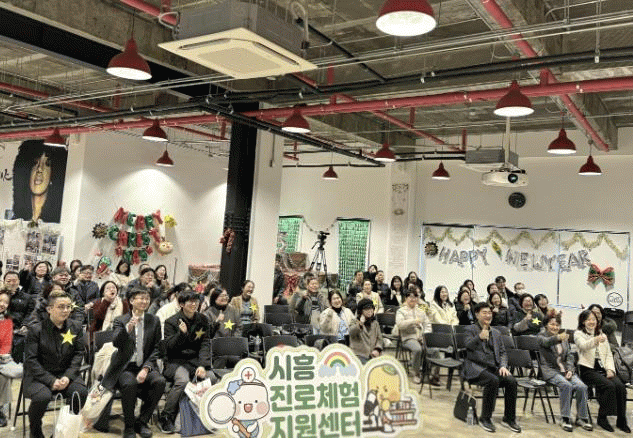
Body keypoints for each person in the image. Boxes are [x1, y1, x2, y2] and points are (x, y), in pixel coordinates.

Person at [23, 291, 87, 438]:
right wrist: (51, 380)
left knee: (81, 393)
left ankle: (63, 431)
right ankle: (35, 432)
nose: (66, 310)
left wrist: (68, 376)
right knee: (42, 397)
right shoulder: (36, 330)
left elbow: (78, 354)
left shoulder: (76, 327)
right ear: (49, 309)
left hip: (65, 372)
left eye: (68, 307)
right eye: (61, 307)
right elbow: (31, 360)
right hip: (40, 375)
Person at [109, 288, 166, 438]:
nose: (144, 301)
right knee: (129, 384)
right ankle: (129, 427)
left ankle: (142, 422)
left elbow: (157, 348)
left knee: (159, 382)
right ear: (131, 301)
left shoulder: (154, 320)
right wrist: (128, 328)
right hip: (125, 366)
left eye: (147, 298)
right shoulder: (121, 320)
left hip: (145, 364)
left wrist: (146, 368)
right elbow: (116, 343)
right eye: (141, 298)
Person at [159, 290, 214, 434]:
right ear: (182, 304)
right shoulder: (171, 321)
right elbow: (169, 347)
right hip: (175, 361)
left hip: (195, 361)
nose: (194, 304)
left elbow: (205, 344)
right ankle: (166, 416)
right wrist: (181, 334)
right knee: (182, 380)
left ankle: (207, 415)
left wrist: (202, 365)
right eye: (190, 301)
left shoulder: (203, 319)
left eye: (196, 301)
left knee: (212, 378)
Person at [462, 302, 521, 434]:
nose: (488, 315)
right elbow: (467, 346)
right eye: (484, 313)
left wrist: (503, 366)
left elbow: (503, 352)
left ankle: (509, 418)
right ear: (477, 315)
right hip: (475, 367)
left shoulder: (496, 332)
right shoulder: (470, 329)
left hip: (493, 367)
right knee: (492, 380)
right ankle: (485, 418)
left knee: (511, 381)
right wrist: (479, 337)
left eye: (489, 313)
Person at [575, 309, 629, 432]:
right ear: (583, 322)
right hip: (587, 369)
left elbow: (608, 355)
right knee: (608, 386)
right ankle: (602, 418)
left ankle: (621, 420)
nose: (591, 322)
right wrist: (596, 340)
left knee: (620, 387)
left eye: (593, 319)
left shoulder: (601, 334)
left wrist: (610, 369)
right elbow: (583, 346)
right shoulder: (579, 334)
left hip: (603, 368)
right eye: (588, 319)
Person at [538, 314, 592, 432]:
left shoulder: (563, 338)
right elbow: (547, 342)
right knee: (566, 385)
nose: (555, 327)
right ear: (546, 325)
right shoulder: (541, 336)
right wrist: (558, 338)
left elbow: (570, 356)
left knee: (582, 387)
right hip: (551, 370)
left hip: (565, 370)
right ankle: (565, 418)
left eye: (557, 325)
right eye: (552, 324)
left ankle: (582, 418)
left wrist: (570, 370)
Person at [395, 288, 431, 383]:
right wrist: (413, 321)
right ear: (406, 298)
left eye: (415, 297)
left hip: (421, 337)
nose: (413, 299)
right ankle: (416, 373)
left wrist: (425, 334)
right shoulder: (401, 311)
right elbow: (400, 324)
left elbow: (427, 325)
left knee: (433, 349)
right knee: (417, 349)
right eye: (410, 297)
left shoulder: (421, 311)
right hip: (408, 337)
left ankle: (431, 374)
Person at [0, 289, 23, 426]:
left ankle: (0, 409)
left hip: (1, 359)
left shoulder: (7, 322)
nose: (2, 304)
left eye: (5, 302)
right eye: (0, 300)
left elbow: (6, 345)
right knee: (3, 375)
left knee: (3, 375)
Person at [349, 298, 383, 364]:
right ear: (361, 311)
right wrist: (360, 324)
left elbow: (380, 339)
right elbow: (352, 332)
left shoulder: (375, 323)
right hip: (359, 355)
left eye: (371, 308)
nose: (369, 311)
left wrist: (377, 349)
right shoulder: (354, 322)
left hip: (373, 355)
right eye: (366, 309)